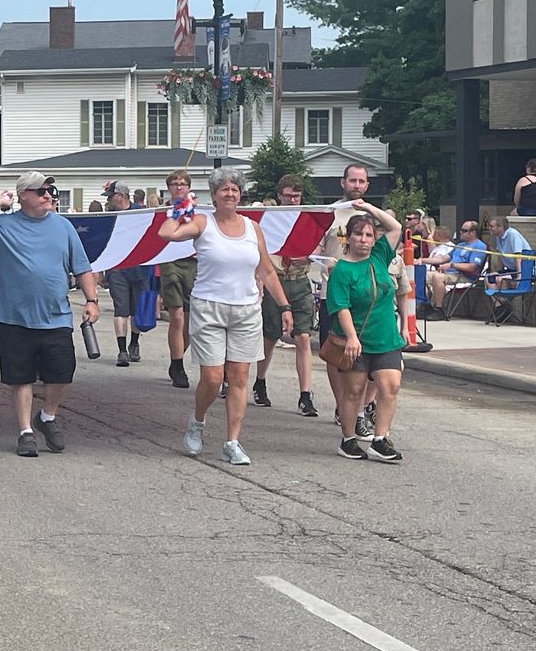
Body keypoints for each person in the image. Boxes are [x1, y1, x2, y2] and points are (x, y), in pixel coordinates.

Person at [158, 168, 294, 466]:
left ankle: (232, 441)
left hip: (246, 310)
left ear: (240, 195)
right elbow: (166, 234)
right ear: (215, 195)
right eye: (224, 190)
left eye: (234, 189)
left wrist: (284, 306)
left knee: (239, 376)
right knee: (212, 377)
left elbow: (266, 270)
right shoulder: (203, 222)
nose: (230, 194)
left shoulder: (252, 227)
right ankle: (197, 420)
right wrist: (180, 210)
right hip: (209, 308)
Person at [0, 171, 99, 458]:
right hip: (14, 317)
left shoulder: (64, 227)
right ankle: (25, 431)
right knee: (20, 377)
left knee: (62, 374)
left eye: (51, 190)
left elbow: (83, 267)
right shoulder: (3, 224)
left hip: (56, 315)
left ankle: (47, 417)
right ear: (24, 195)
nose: (48, 195)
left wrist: (92, 300)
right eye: (41, 191)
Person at [327, 205, 406, 462]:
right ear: (347, 238)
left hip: (385, 338)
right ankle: (348, 439)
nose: (364, 239)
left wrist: (367, 208)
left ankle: (380, 439)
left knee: (390, 385)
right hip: (357, 341)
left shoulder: (380, 256)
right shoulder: (342, 270)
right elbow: (341, 307)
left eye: (369, 235)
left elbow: (396, 227)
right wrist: (351, 337)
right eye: (358, 234)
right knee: (353, 391)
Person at [313, 164, 374, 434]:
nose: (357, 185)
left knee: (369, 356)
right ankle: (343, 407)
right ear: (343, 182)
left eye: (362, 181)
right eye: (353, 180)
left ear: (367, 185)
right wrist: (322, 261)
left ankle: (359, 410)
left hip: (366, 297)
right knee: (336, 355)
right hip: (334, 295)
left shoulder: (373, 216)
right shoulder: (330, 215)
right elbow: (313, 247)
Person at [252, 175, 319, 417]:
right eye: (289, 195)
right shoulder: (270, 221)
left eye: (297, 196)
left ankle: (305, 394)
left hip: (300, 281)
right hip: (277, 281)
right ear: (280, 195)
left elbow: (317, 245)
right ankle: (260, 380)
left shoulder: (308, 219)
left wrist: (310, 255)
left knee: (302, 338)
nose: (293, 200)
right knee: (270, 336)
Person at [99, 180, 151, 366]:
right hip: (117, 269)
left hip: (139, 268)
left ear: (121, 196)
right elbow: (103, 244)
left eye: (111, 196)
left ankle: (134, 344)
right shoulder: (108, 216)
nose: (109, 200)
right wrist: (100, 270)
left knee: (136, 311)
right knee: (121, 308)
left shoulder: (141, 213)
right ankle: (121, 350)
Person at [160, 170, 198, 388]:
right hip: (170, 261)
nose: (178, 187)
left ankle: (178, 355)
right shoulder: (163, 211)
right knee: (176, 316)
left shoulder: (198, 211)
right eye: (174, 184)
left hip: (192, 263)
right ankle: (177, 365)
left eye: (182, 184)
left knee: (191, 318)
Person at [424, 220, 487, 319]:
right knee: (421, 274)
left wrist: (452, 265)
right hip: (451, 274)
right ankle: (425, 305)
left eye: (464, 230)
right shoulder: (460, 245)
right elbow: (442, 259)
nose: (460, 232)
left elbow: (472, 267)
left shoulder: (479, 246)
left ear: (473, 233)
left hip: (464, 276)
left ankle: (439, 309)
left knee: (437, 277)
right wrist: (422, 260)